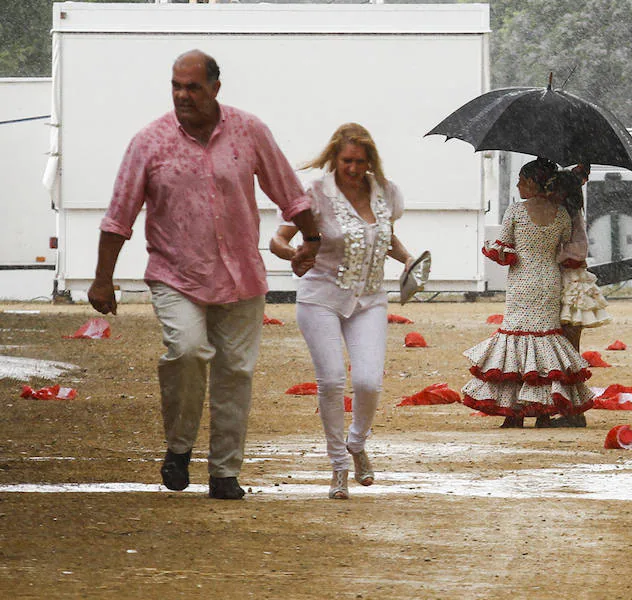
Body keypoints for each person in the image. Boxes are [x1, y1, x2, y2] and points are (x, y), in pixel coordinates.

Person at [87, 50, 320, 500]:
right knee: (188, 351)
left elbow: (288, 191)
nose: (182, 95)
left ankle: (224, 472)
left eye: (192, 87)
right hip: (176, 273)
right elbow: (119, 216)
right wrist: (102, 278)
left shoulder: (249, 132)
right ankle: (178, 448)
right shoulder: (148, 142)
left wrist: (311, 238)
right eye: (176, 86)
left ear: (215, 87)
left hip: (241, 276)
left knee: (236, 371)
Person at [269, 123, 415, 500]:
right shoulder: (315, 193)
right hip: (321, 294)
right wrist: (294, 255)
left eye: (360, 162)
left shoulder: (385, 191)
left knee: (369, 381)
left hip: (369, 296)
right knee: (332, 380)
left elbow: (383, 237)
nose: (353, 169)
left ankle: (356, 442)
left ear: (371, 161)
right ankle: (338, 466)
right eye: (347, 160)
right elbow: (279, 239)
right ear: (334, 157)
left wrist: (410, 260)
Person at [461, 158, 595, 428]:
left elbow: (504, 248)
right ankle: (544, 411)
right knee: (543, 344)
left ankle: (514, 414)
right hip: (549, 280)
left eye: (522, 180)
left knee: (515, 342)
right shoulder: (561, 214)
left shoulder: (516, 211)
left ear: (534, 183)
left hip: (522, 282)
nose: (518, 185)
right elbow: (566, 246)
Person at [544, 166, 612, 427]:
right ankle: (568, 407)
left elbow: (578, 251)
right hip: (567, 283)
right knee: (564, 350)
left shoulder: (570, 216)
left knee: (568, 350)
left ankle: (573, 410)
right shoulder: (568, 214)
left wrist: (551, 253)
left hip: (570, 284)